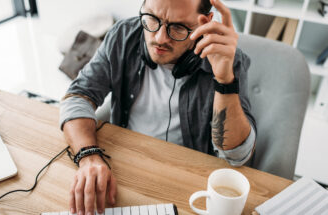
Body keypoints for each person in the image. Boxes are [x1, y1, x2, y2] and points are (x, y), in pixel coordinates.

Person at [59, 0, 256, 214]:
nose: (160, 38)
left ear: (204, 23)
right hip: (121, 170)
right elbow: (78, 96)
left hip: (189, 186)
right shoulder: (123, 35)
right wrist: (88, 157)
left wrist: (224, 80)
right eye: (152, 19)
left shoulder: (227, 60)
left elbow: (237, 156)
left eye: (179, 27)